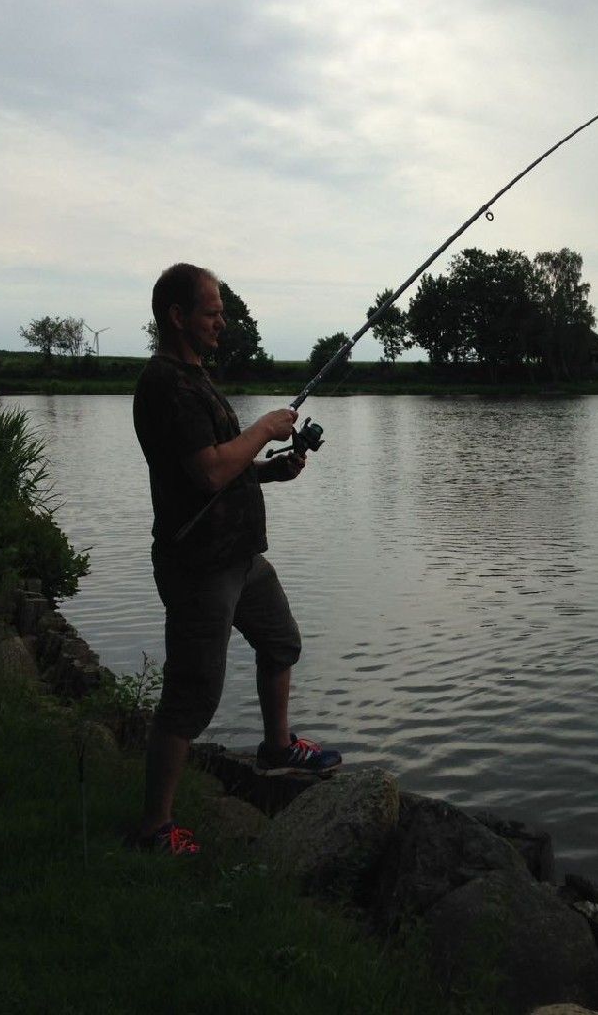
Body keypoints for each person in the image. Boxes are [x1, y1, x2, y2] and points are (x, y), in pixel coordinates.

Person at [130, 263, 341, 855]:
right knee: (192, 694)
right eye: (211, 311)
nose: (223, 320)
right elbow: (209, 470)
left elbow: (226, 466)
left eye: (221, 311)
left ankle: (277, 749)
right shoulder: (166, 384)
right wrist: (267, 426)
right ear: (177, 316)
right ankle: (154, 828)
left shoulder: (196, 377)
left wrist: (271, 467)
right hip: (200, 565)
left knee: (280, 642)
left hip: (241, 557)